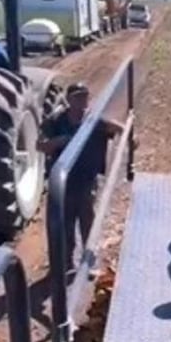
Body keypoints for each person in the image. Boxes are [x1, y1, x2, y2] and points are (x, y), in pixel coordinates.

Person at [39, 81, 125, 268]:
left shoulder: (93, 121)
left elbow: (118, 128)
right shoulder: (56, 121)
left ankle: (88, 263)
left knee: (88, 222)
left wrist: (130, 137)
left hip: (86, 181)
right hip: (64, 183)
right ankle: (66, 263)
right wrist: (59, 142)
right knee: (65, 225)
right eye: (78, 97)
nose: (82, 100)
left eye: (85, 96)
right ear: (69, 100)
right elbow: (41, 145)